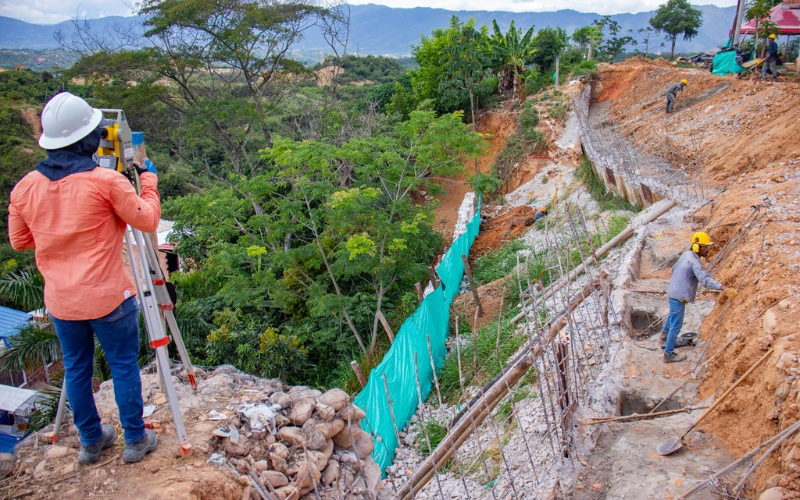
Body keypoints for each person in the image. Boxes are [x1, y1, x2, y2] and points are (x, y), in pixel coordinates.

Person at [8, 92, 160, 464]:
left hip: (61, 301)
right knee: (123, 366)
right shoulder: (106, 183)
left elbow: (20, 240)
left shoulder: (25, 187)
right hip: (108, 297)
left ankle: (91, 443)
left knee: (76, 368)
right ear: (89, 140)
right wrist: (150, 182)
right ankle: (135, 440)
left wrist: (58, 232)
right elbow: (148, 219)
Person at [660, 232, 737, 363]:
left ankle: (664, 337)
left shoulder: (686, 255)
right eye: (705, 247)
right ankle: (668, 354)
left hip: (673, 291)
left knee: (672, 316)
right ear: (697, 247)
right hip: (678, 294)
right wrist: (723, 288)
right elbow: (705, 280)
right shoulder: (694, 262)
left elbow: (674, 269)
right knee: (676, 325)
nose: (707, 249)